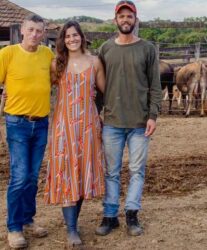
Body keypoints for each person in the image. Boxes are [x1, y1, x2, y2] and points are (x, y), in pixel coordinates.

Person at [95, 0, 162, 237]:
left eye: (129, 16)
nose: (125, 20)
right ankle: (110, 215)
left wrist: (153, 115)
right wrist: (96, 114)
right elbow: (100, 87)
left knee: (137, 171)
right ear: (115, 20)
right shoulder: (105, 49)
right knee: (111, 171)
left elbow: (155, 85)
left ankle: (132, 214)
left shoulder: (147, 49)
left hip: (140, 123)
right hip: (112, 121)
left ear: (135, 20)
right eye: (121, 16)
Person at [43, 21, 106, 246]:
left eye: (75, 35)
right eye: (67, 36)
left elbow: (104, 91)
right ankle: (71, 230)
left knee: (81, 175)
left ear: (82, 37)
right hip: (64, 127)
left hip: (89, 126)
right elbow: (42, 87)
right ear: (63, 40)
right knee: (66, 175)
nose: (72, 39)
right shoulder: (56, 64)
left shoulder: (94, 62)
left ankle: (73, 223)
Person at [0, 14, 54, 249]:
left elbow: (55, 80)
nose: (34, 34)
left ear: (44, 33)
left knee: (32, 177)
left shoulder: (47, 54)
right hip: (17, 123)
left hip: (41, 123)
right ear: (22, 30)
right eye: (30, 29)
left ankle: (28, 219)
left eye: (39, 31)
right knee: (20, 176)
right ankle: (13, 227)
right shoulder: (7, 54)